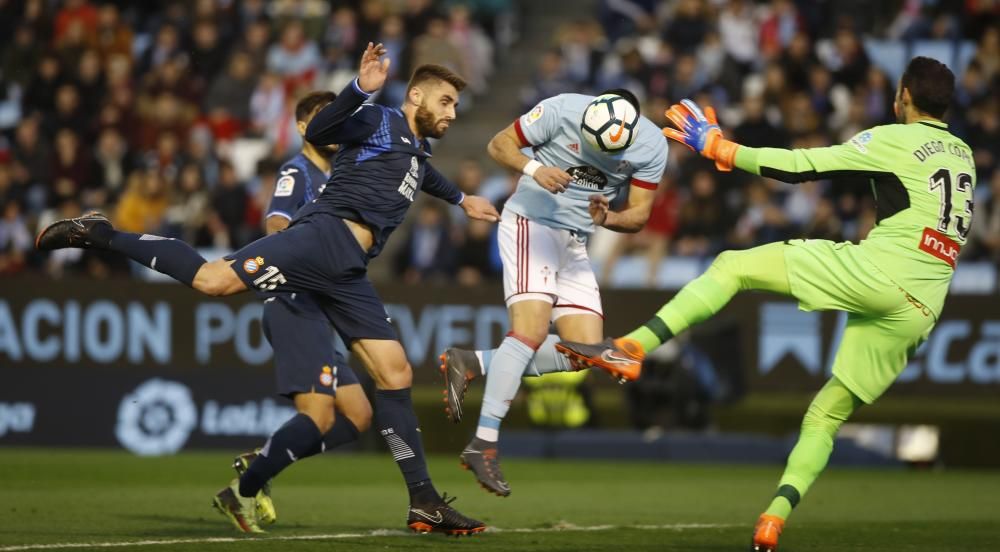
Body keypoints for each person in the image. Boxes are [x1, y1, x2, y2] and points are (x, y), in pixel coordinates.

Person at [36, 43, 499, 536]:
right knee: (214, 281)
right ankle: (101, 233)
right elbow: (322, 131)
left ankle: (423, 502)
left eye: (454, 104)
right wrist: (360, 88)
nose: (452, 112)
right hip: (321, 237)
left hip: (347, 269)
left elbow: (420, 172)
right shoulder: (379, 119)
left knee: (395, 371)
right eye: (445, 101)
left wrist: (461, 198)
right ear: (416, 96)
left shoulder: (413, 148)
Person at [555, 57, 973, 552]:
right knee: (825, 417)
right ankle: (773, 520)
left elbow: (800, 168)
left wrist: (721, 148)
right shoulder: (964, 155)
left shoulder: (893, 138)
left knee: (732, 267)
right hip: (924, 303)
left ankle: (635, 345)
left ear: (903, 96)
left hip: (880, 271)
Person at [439, 89, 667, 496]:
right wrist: (533, 169)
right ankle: (484, 443)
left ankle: (472, 361)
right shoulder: (562, 109)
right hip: (531, 222)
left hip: (576, 238)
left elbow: (640, 216)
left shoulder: (652, 145)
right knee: (529, 332)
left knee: (586, 352)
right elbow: (498, 144)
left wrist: (610, 217)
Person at [225, 90, 373, 530]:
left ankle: (261, 460)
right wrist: (291, 252)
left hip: (317, 308)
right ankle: (243, 492)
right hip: (293, 302)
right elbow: (276, 223)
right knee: (319, 415)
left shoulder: (341, 174)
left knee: (358, 415)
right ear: (305, 128)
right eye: (323, 119)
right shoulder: (297, 170)